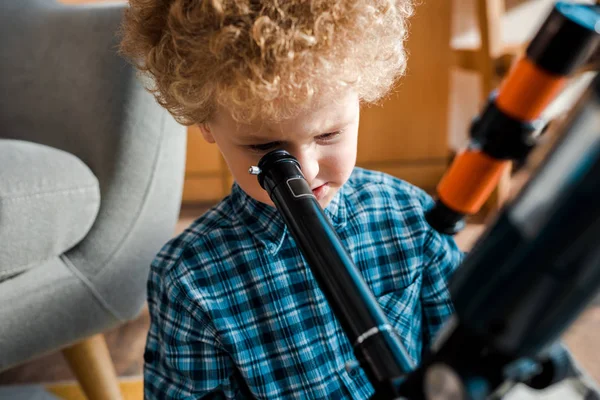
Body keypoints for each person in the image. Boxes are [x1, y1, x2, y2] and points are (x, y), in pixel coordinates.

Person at [120, 0, 464, 398]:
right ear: (205, 123)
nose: (306, 172)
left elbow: (462, 353)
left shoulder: (410, 217)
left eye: (329, 135)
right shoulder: (188, 280)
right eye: (265, 146)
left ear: (360, 96)